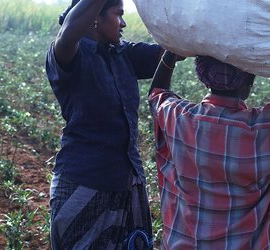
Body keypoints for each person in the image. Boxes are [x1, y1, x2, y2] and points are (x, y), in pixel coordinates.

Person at [45, 0, 163, 248]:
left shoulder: (123, 53)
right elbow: (70, 30)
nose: (123, 23)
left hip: (127, 182)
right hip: (85, 184)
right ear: (94, 19)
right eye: (118, 14)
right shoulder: (67, 54)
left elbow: (169, 51)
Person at [148, 52, 270, 249]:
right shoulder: (262, 129)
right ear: (250, 82)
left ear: (204, 80)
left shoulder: (179, 118)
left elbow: (156, 94)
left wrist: (169, 54)